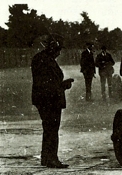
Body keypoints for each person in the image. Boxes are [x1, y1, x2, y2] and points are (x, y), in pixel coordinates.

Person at [31, 34, 72, 168]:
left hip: (47, 99)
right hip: (48, 100)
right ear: (52, 48)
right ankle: (51, 159)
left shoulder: (42, 59)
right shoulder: (44, 60)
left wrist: (61, 85)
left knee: (49, 129)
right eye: (58, 49)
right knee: (51, 130)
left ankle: (46, 158)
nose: (59, 53)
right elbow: (46, 84)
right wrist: (63, 85)